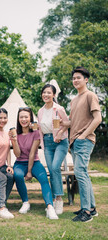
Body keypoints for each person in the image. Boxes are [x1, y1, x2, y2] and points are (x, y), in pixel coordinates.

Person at [62, 67, 102, 222]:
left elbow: (97, 118)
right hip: (75, 142)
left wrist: (83, 136)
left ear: (86, 80)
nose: (75, 80)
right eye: (73, 78)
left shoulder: (90, 95)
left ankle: (86, 212)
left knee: (80, 173)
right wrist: (57, 124)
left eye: (78, 78)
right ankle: (91, 208)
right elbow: (72, 122)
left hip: (84, 140)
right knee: (82, 174)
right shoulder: (74, 100)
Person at [9, 107, 58, 220]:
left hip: (34, 162)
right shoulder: (15, 133)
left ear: (30, 117)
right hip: (20, 163)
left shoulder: (35, 133)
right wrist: (14, 140)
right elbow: (17, 154)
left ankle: (50, 207)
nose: (24, 119)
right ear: (18, 119)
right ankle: (25, 202)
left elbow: (32, 153)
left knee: (44, 178)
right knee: (17, 175)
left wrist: (30, 171)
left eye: (26, 116)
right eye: (21, 117)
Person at [38, 84, 69, 215]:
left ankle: (59, 199)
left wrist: (59, 133)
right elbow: (40, 129)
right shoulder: (40, 111)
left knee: (56, 167)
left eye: (49, 93)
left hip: (61, 142)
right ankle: (55, 199)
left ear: (54, 95)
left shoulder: (59, 108)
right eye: (44, 92)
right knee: (51, 170)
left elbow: (68, 123)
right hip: (47, 142)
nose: (46, 95)